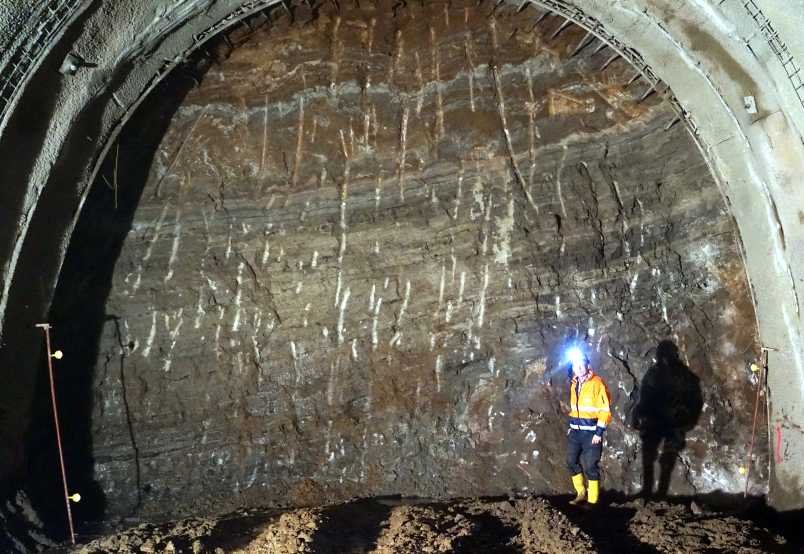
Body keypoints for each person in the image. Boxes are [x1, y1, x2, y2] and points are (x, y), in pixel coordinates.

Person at [634, 340, 702, 499]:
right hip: (658, 420)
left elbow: (694, 400)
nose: (663, 358)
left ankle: (659, 492)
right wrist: (638, 414)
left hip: (672, 421)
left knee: (664, 458)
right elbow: (644, 396)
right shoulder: (658, 373)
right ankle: (649, 491)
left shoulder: (682, 375)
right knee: (650, 455)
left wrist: (687, 420)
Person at [565, 348, 612, 506]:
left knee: (591, 466)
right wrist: (572, 426)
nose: (578, 368)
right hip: (575, 432)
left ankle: (592, 502)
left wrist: (599, 432)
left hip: (592, 433)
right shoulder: (574, 384)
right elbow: (575, 408)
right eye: (575, 365)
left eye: (581, 365)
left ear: (588, 365)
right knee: (571, 461)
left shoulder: (597, 383)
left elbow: (605, 410)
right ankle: (581, 493)